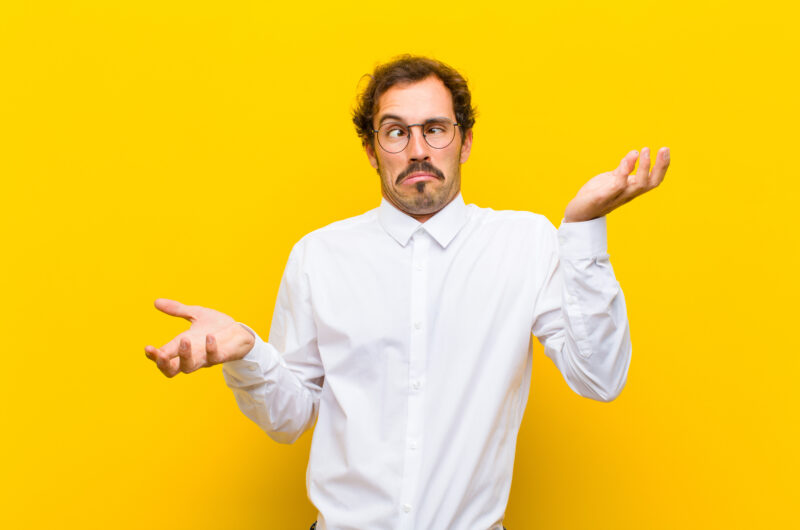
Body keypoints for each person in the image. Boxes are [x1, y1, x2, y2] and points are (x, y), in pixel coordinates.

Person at [144, 55, 670, 530]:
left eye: (435, 129)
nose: (418, 150)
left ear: (464, 141)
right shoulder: (319, 256)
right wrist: (246, 352)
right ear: (373, 150)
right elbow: (290, 418)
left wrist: (583, 230)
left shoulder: (525, 244)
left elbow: (600, 377)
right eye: (396, 132)